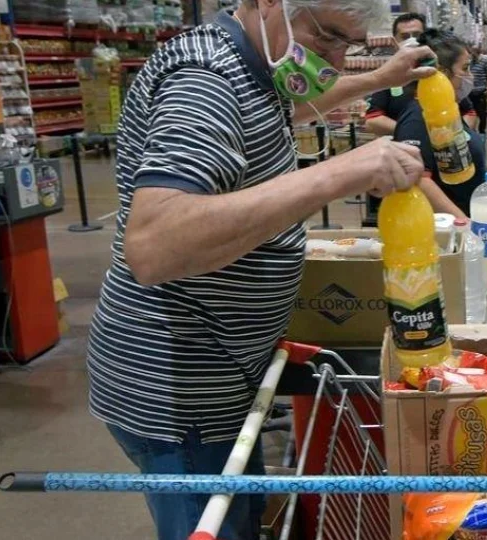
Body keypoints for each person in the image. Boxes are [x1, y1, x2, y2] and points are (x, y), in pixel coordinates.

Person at [85, 1, 435, 538]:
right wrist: (338, 175)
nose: (336, 60)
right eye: (327, 36)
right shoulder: (205, 78)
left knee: (243, 516)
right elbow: (155, 246)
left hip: (223, 377)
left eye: (349, 45)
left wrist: (380, 79)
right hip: (184, 394)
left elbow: (287, 107)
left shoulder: (255, 64)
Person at [394, 29, 485, 219]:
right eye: (465, 68)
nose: (470, 76)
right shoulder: (417, 117)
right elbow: (419, 180)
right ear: (441, 73)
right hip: (445, 228)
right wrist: (464, 224)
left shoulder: (445, 110)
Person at [364, 12, 477, 135]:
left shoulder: (440, 72)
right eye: (405, 37)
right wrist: (414, 132)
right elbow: (372, 120)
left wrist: (458, 134)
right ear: (395, 41)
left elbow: (469, 112)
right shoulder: (390, 74)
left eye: (416, 35)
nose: (411, 40)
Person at [467, 45, 487, 136]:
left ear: (478, 52)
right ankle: (472, 132)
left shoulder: (485, 60)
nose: (471, 54)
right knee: (471, 113)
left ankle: (482, 132)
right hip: (470, 91)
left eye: (473, 52)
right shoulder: (470, 61)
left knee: (482, 114)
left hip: (481, 91)